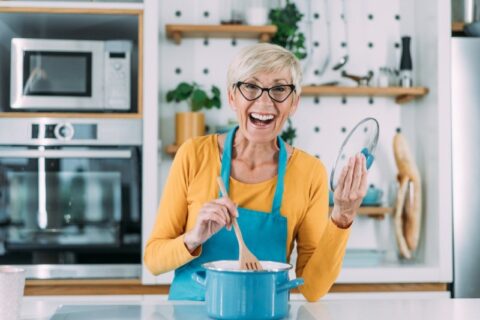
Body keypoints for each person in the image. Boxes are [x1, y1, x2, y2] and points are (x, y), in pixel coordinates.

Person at [144, 43, 368, 302]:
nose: (264, 101)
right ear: (232, 97)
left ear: (294, 102)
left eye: (279, 89)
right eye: (250, 87)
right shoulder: (194, 155)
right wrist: (193, 238)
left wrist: (343, 215)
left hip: (264, 311)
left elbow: (312, 288)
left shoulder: (309, 172)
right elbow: (154, 260)